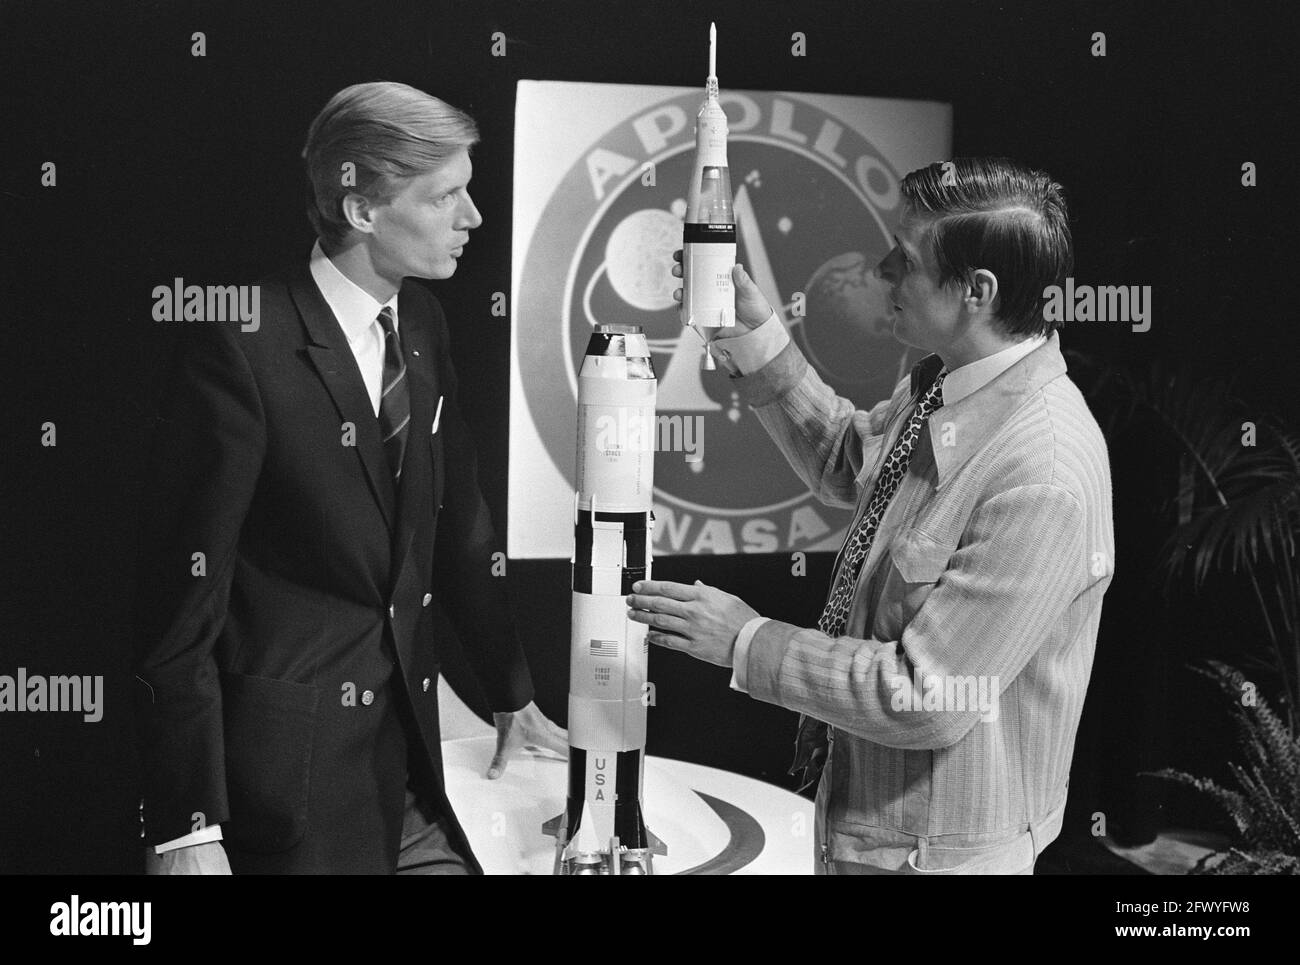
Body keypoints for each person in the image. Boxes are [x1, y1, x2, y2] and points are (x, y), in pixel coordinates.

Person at [629, 157, 1114, 874]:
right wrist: (751, 334)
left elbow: (929, 695)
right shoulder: (945, 380)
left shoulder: (1042, 474)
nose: (883, 270)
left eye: (905, 260)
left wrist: (745, 640)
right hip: (870, 838)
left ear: (977, 292)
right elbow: (849, 461)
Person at [134, 81, 565, 874]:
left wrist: (511, 690)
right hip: (283, 796)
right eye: (447, 197)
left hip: (410, 775)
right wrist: (186, 825)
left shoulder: (425, 324)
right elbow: (179, 601)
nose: (474, 218)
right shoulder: (241, 346)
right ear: (362, 210)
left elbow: (459, 517)